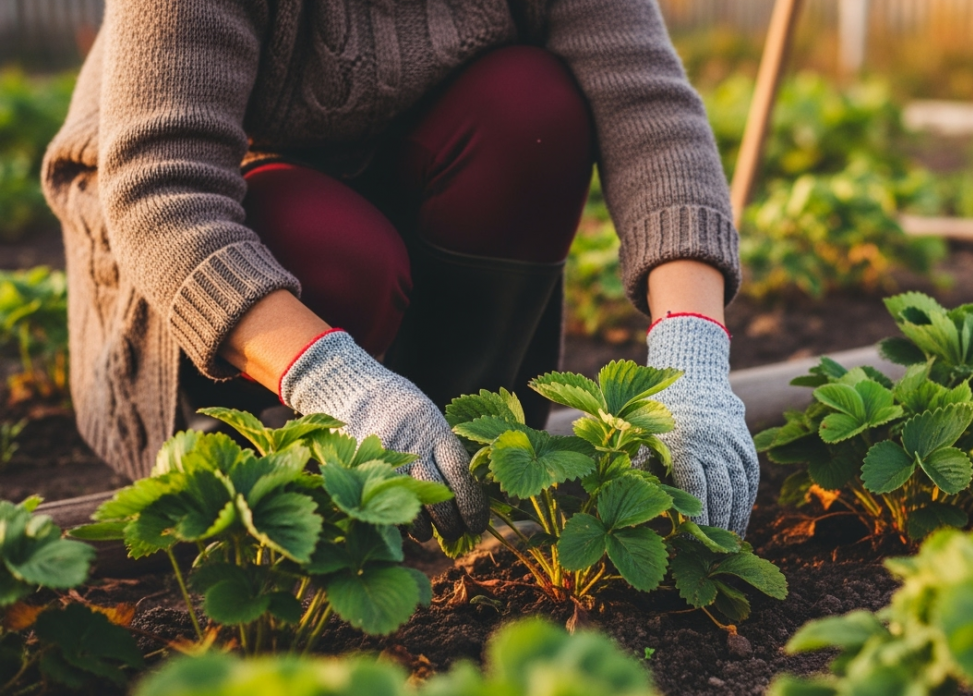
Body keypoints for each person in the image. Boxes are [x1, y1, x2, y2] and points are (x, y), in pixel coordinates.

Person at [42, 0, 758, 545]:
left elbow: (650, 111)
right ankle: (292, 495)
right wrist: (342, 385)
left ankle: (456, 456)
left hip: (408, 166)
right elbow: (161, 190)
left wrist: (691, 359)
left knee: (532, 106)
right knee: (336, 253)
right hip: (209, 238)